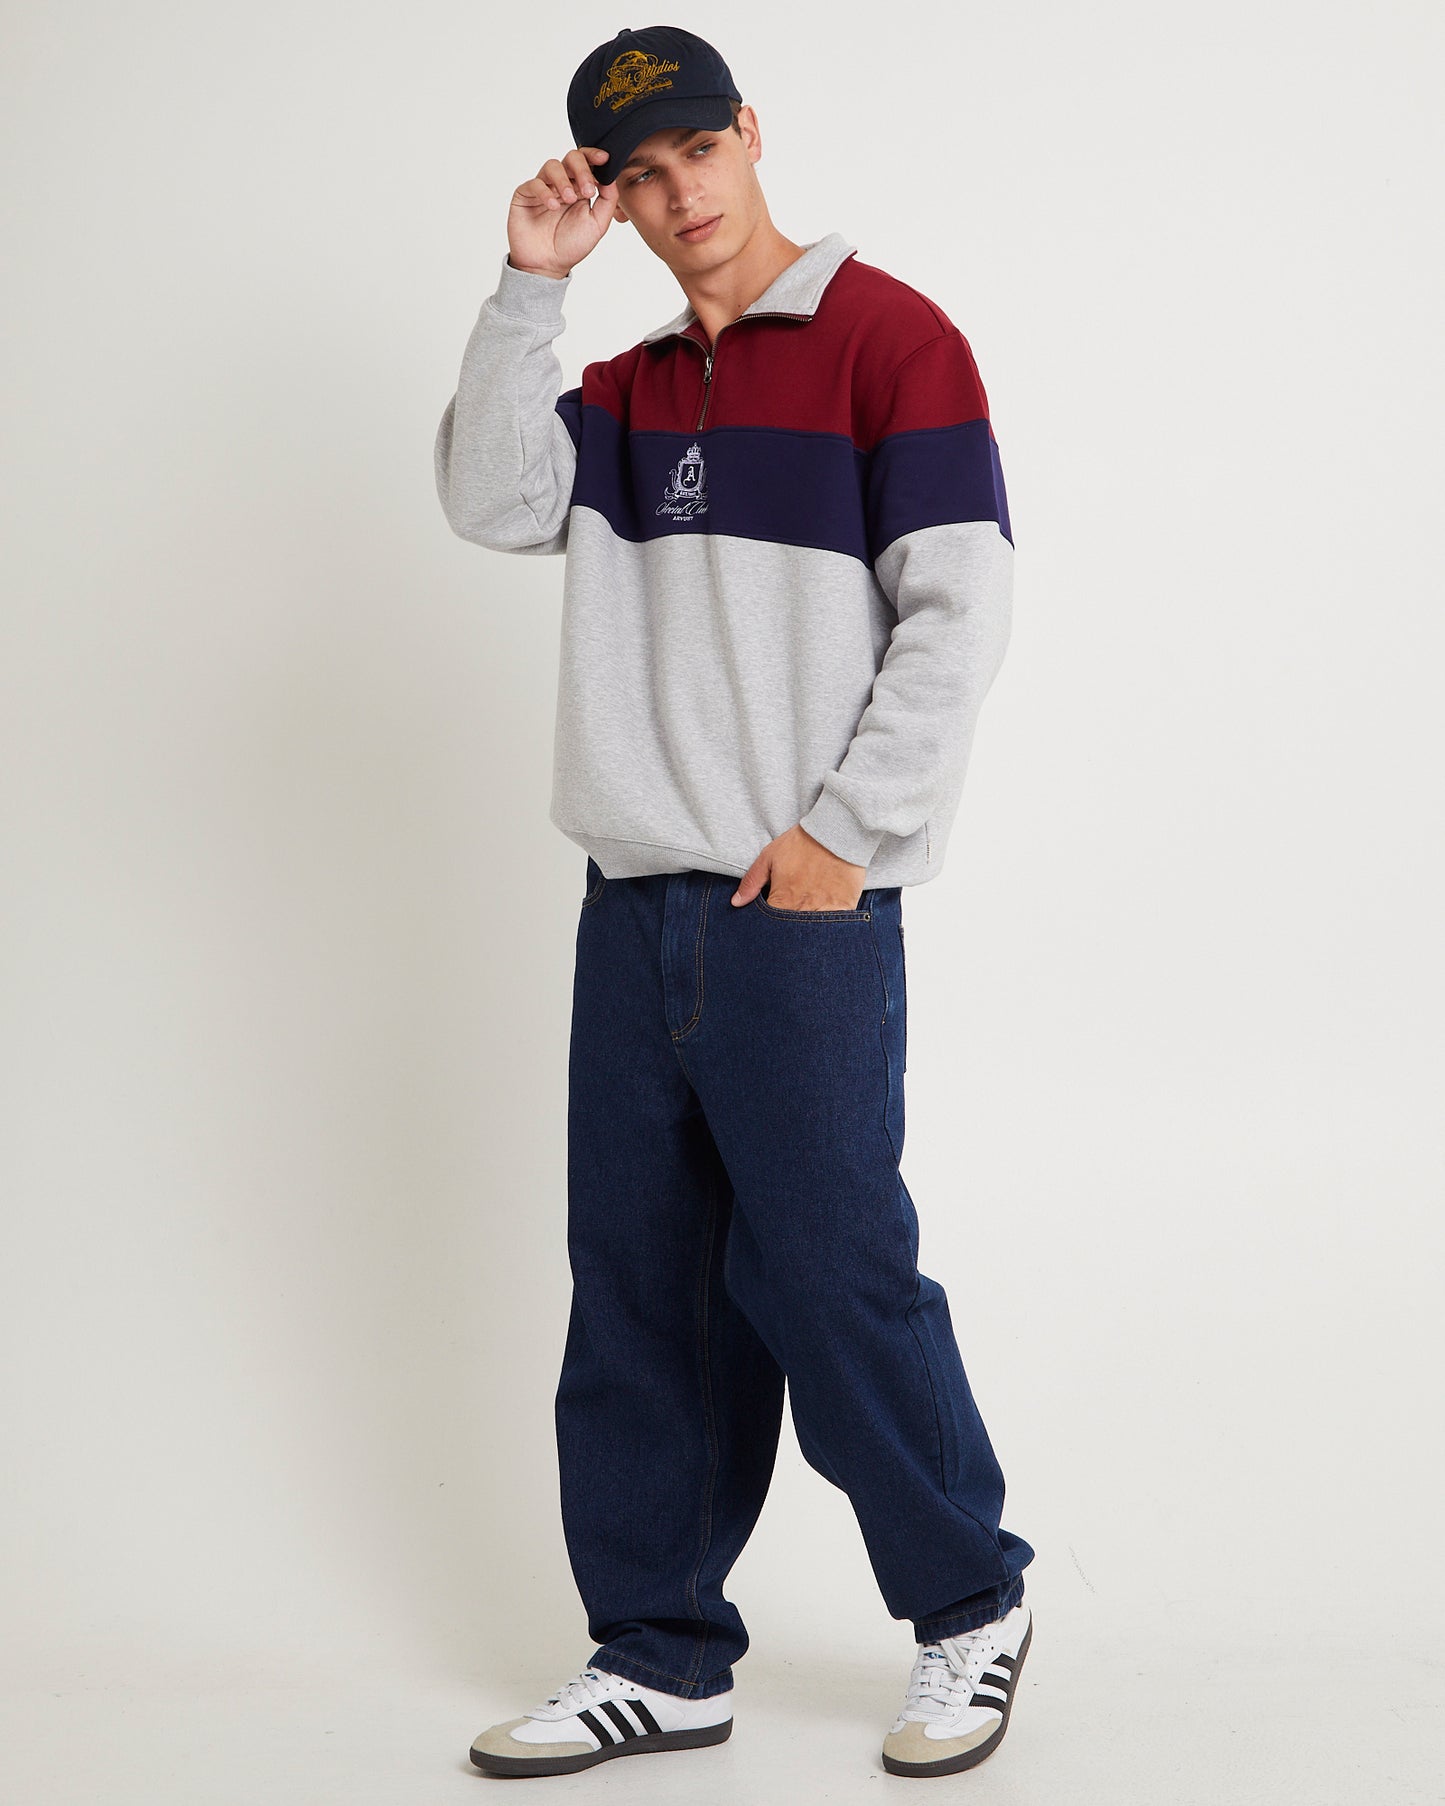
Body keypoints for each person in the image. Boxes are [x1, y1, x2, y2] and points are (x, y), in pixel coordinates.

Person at [434, 24, 1036, 1782]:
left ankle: (972, 1599)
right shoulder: (618, 391)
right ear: (610, 199)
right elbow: (489, 500)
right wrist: (526, 289)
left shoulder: (889, 340)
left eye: (697, 147)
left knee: (830, 1272)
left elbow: (961, 610)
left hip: (798, 904)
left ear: (750, 134)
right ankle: (659, 1651)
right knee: (638, 1289)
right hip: (631, 901)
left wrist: (848, 834)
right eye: (636, 173)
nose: (678, 190)